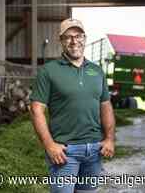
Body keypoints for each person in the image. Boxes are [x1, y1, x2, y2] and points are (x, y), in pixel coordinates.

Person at [29, 18, 115, 193]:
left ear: (84, 38)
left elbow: (105, 106)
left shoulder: (96, 71)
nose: (74, 41)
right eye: (68, 37)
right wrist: (49, 145)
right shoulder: (49, 71)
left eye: (78, 36)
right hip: (65, 152)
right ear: (61, 41)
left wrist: (109, 139)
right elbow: (36, 109)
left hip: (94, 150)